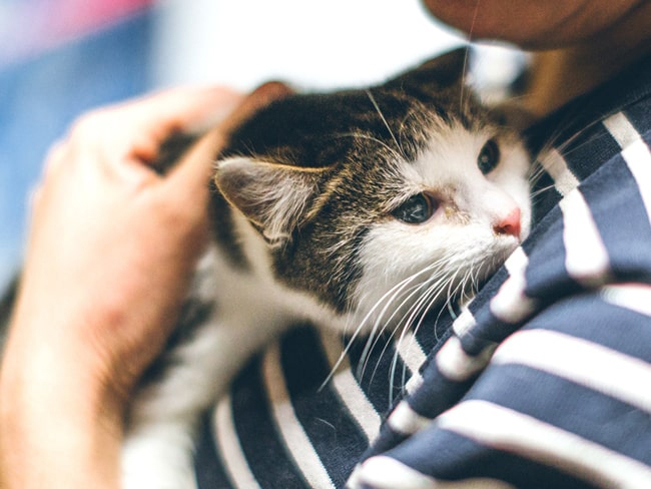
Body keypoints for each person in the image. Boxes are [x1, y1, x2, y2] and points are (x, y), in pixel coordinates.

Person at [1, 1, 650, 488]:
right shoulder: (510, 55)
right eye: (419, 208)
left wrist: (63, 349)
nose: (508, 214)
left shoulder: (606, 312)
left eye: (487, 157)